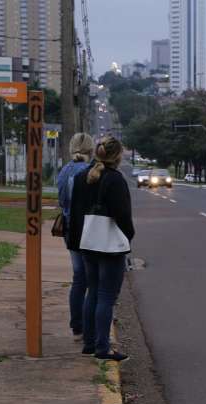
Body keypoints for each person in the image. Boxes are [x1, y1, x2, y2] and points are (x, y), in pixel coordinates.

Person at [67, 136, 134, 361]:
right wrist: (128, 237)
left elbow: (75, 212)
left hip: (87, 242)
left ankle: (89, 342)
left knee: (93, 291)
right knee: (107, 295)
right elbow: (123, 215)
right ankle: (102, 347)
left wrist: (77, 241)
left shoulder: (80, 177)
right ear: (117, 156)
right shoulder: (115, 180)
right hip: (109, 246)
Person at [57, 133, 94, 342]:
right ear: (91, 150)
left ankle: (77, 326)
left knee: (78, 278)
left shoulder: (64, 171)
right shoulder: (89, 172)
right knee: (93, 280)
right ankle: (91, 325)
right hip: (88, 229)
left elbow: (62, 201)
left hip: (69, 229)